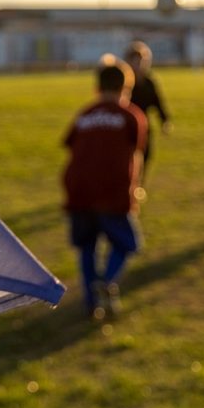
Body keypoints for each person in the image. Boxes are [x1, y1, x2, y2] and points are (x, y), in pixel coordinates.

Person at [62, 62, 147, 320]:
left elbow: (70, 146)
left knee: (87, 247)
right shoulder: (130, 115)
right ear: (127, 87)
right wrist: (136, 188)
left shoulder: (85, 114)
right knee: (127, 243)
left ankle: (91, 303)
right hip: (112, 190)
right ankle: (107, 280)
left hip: (78, 190)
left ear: (96, 87)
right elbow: (138, 154)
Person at [124, 41, 171, 186]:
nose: (138, 65)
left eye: (141, 61)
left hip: (143, 126)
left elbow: (157, 102)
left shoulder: (149, 82)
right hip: (125, 126)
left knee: (146, 155)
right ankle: (128, 184)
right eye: (135, 61)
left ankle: (138, 185)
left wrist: (164, 120)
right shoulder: (124, 83)